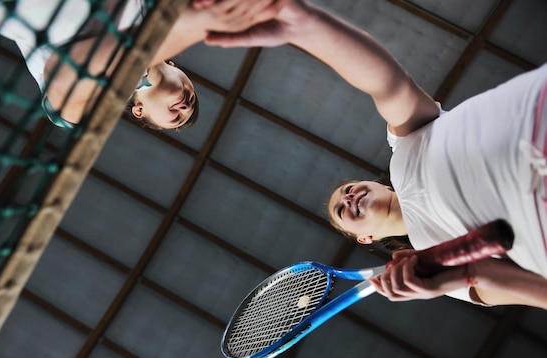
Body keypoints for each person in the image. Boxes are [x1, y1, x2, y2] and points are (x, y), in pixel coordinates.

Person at [205, 0, 547, 309]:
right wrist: (464, 276)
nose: (349, 197)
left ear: (380, 185)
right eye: (343, 208)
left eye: (348, 189)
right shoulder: (436, 261)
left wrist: (311, 26)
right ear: (365, 239)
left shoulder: (405, 148)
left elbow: (388, 84)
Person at [0, 0, 288, 130]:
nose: (185, 109)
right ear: (178, 66)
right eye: (193, 102)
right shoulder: (159, 12)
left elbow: (65, 76)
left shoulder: (91, 110)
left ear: (140, 112)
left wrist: (196, 26)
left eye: (176, 119)